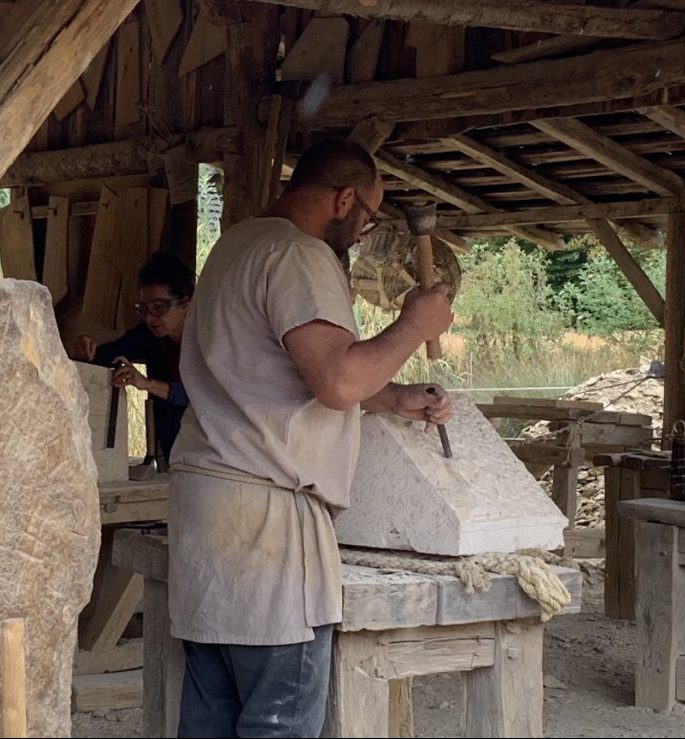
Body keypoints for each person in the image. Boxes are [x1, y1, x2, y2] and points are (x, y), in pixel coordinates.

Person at [168, 139, 454, 737]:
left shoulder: (236, 245)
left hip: (209, 507)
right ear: (344, 197)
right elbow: (336, 379)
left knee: (210, 720)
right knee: (278, 721)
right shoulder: (298, 256)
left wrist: (393, 396)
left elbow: (294, 372)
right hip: (266, 521)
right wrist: (414, 324)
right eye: (368, 217)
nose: (361, 231)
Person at [68, 251, 193, 468]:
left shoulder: (212, 340)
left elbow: (202, 397)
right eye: (143, 309)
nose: (150, 318)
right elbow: (104, 354)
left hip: (212, 450)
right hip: (173, 449)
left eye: (159, 307)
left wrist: (147, 384)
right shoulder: (150, 336)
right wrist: (85, 347)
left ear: (186, 302)